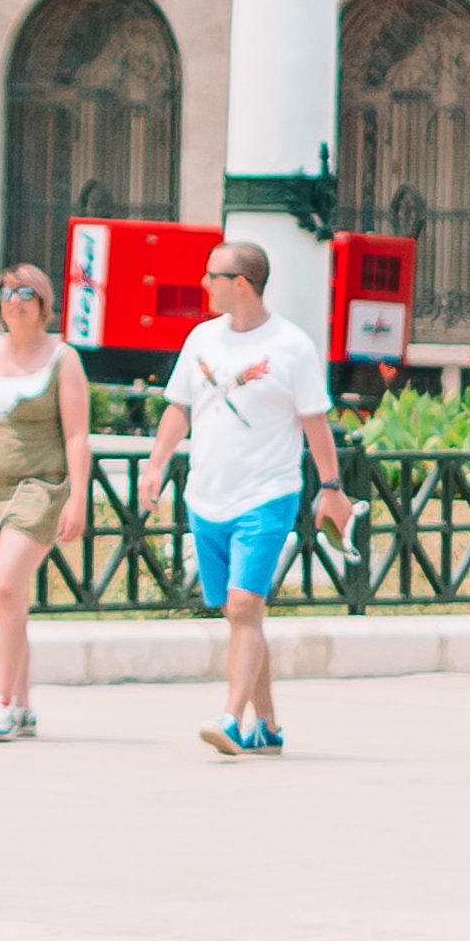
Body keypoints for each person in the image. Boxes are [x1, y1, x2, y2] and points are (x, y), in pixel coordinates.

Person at [134, 240, 354, 755]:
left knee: (242, 607)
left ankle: (231, 720)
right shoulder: (201, 338)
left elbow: (315, 423)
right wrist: (157, 463)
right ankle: (269, 726)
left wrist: (331, 489)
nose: (202, 285)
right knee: (243, 617)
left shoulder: (292, 346)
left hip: (267, 495)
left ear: (241, 283)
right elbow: (178, 407)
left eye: (211, 276)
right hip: (207, 497)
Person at [0, 264, 92, 742]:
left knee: (8, 587)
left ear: (44, 303)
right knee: (5, 603)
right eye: (7, 292)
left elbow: (76, 434)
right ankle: (26, 704)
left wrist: (78, 498)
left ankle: (4, 701)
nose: (16, 300)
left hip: (40, 486)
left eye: (26, 292)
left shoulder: (63, 359)